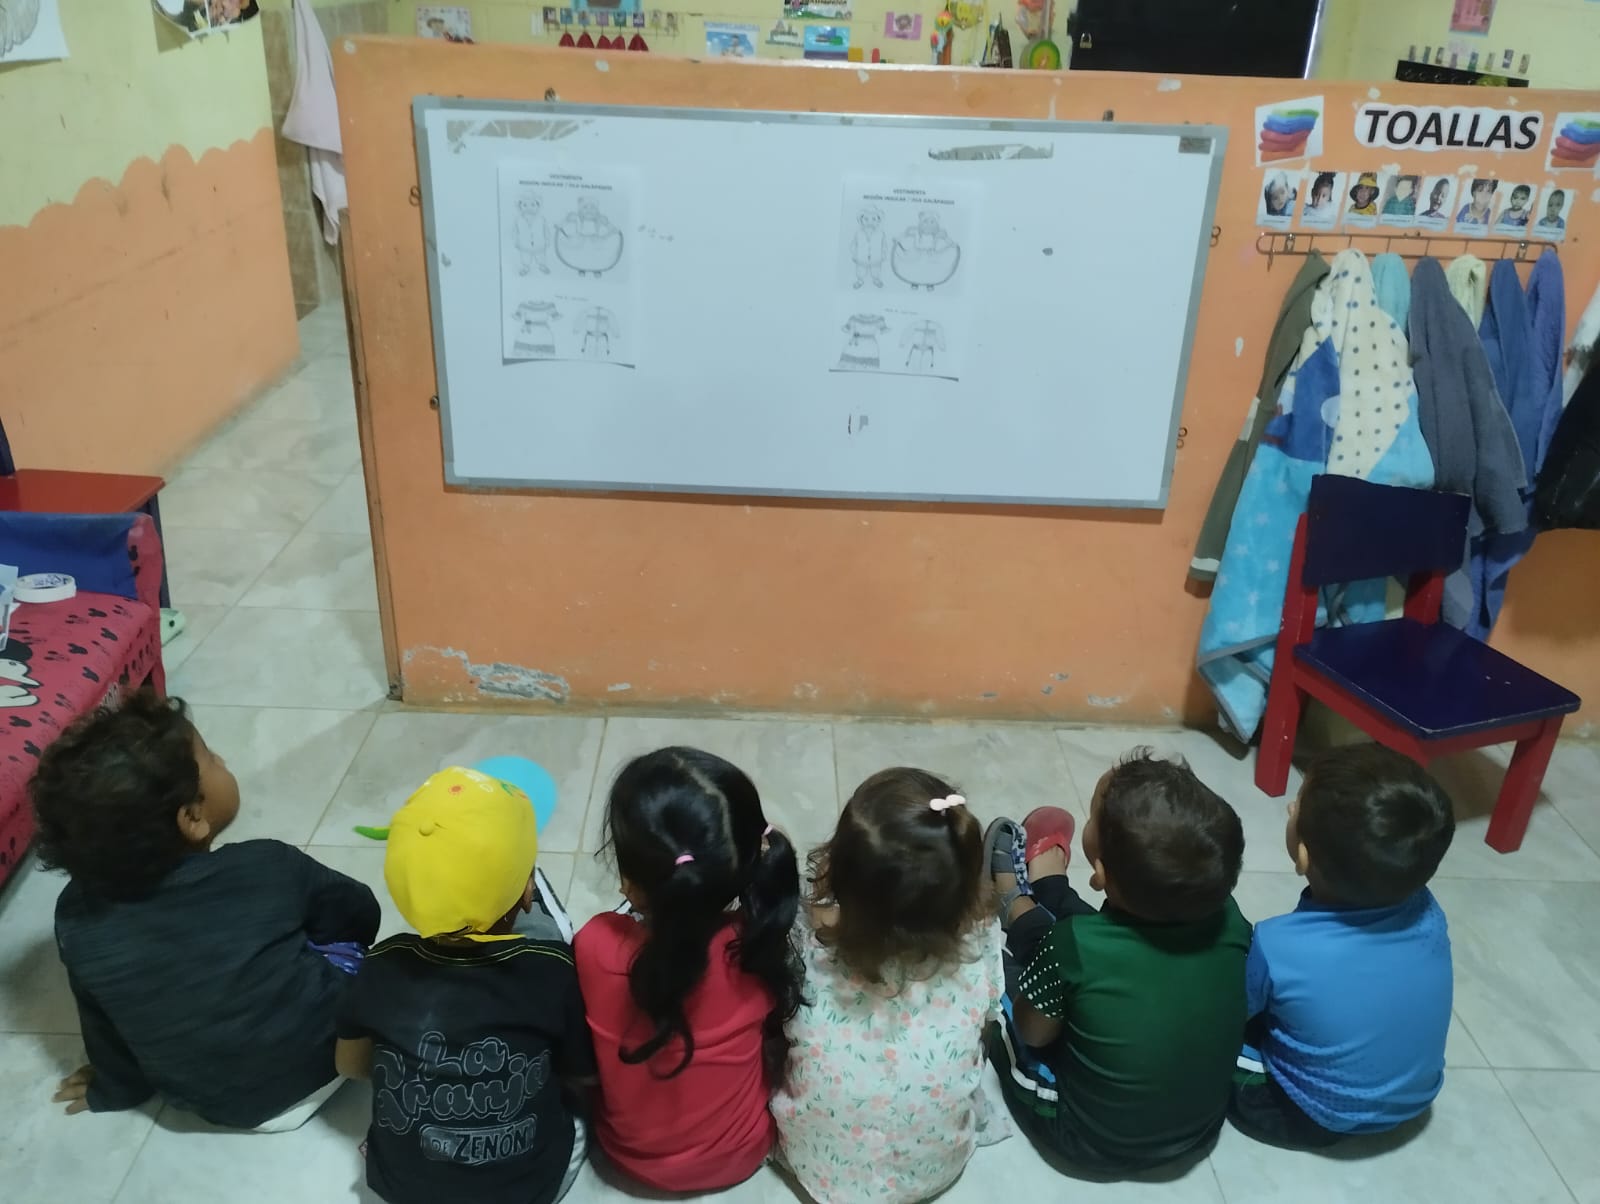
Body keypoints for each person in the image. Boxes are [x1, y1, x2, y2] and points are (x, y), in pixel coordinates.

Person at [34, 692, 379, 1129]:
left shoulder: (74, 919)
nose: (223, 760)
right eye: (211, 759)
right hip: (335, 1061)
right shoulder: (266, 865)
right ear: (192, 817)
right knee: (368, 949)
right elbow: (360, 912)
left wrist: (115, 1088)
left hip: (220, 1107)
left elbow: (102, 1022)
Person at [335, 767, 594, 1204]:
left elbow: (350, 1066)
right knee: (581, 1115)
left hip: (402, 1190)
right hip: (527, 1192)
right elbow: (581, 1074)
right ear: (527, 893)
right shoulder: (550, 969)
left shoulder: (380, 965)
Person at [985, 749, 1249, 1174]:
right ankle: (1048, 890)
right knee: (1095, 945)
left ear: (1101, 874)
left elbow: (1034, 1033)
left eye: (1091, 817)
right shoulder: (1232, 920)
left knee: (993, 980)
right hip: (1198, 1130)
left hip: (1087, 1137)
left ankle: (1016, 905)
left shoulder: (1075, 944)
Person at [574, 747, 803, 1192]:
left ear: (631, 884)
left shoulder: (596, 945)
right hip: (742, 1156)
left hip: (629, 1161)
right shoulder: (757, 943)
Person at [773, 769, 1006, 1204]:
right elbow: (990, 1018)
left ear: (839, 874)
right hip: (935, 1170)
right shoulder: (980, 945)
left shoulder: (808, 951)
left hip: (819, 1169)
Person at [1229, 745, 1455, 1149]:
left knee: (1211, 1033)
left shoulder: (1278, 944)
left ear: (1303, 855)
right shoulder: (1429, 913)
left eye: (1297, 805)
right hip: (1414, 1101)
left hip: (1312, 1116)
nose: (1289, 808)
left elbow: (1232, 1013)